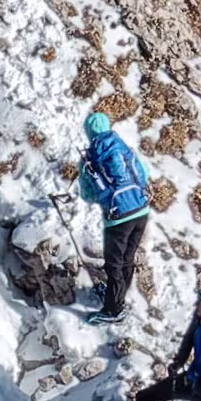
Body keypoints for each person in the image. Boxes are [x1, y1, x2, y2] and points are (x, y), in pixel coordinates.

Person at [76, 108, 151, 318]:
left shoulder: (91, 158)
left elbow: (88, 195)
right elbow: (144, 174)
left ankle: (113, 310)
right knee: (127, 258)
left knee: (114, 264)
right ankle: (116, 297)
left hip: (118, 218)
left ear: (89, 133)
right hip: (141, 210)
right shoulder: (123, 149)